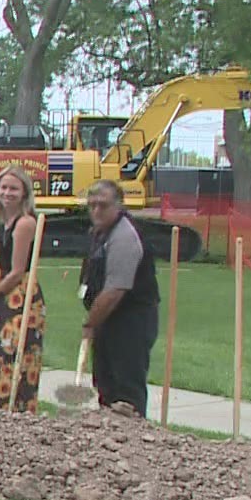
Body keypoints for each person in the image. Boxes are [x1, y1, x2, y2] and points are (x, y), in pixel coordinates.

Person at [81, 178, 161, 415]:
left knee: (126, 388)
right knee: (106, 383)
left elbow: (115, 290)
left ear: (119, 206)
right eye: (92, 204)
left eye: (103, 205)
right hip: (109, 320)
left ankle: (131, 440)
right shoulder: (99, 233)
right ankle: (109, 437)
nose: (96, 210)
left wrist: (90, 323)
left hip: (130, 322)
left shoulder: (124, 237)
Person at [0, 164, 47, 411]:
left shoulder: (25, 223)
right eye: (3, 187)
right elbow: (3, 246)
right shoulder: (5, 223)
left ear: (24, 192)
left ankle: (14, 410)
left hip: (18, 296)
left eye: (14, 188)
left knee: (11, 355)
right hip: (4, 292)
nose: (7, 193)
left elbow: (17, 271)